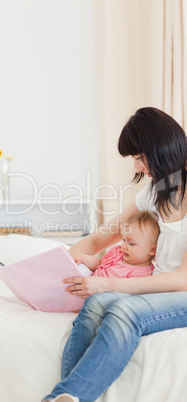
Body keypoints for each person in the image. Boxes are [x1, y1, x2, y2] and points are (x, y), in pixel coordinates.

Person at [41, 107, 187, 402]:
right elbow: (99, 238)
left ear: (160, 147)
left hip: (181, 291)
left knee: (123, 310)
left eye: (139, 156)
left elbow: (183, 280)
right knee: (95, 304)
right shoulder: (154, 193)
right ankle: (68, 397)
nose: (136, 167)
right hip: (158, 292)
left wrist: (108, 284)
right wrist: (50, 274)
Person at [74, 211, 159, 282]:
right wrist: (83, 258)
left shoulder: (142, 274)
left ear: (152, 250)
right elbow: (100, 262)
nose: (124, 246)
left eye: (131, 243)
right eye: (124, 240)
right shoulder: (117, 253)